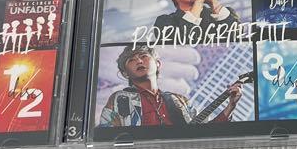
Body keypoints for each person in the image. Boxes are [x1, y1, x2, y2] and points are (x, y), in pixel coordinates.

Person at [100, 43, 243, 127]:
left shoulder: (179, 100)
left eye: (143, 56)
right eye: (132, 60)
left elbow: (205, 130)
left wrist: (230, 106)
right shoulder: (119, 99)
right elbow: (106, 133)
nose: (139, 61)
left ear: (158, 64)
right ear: (125, 73)